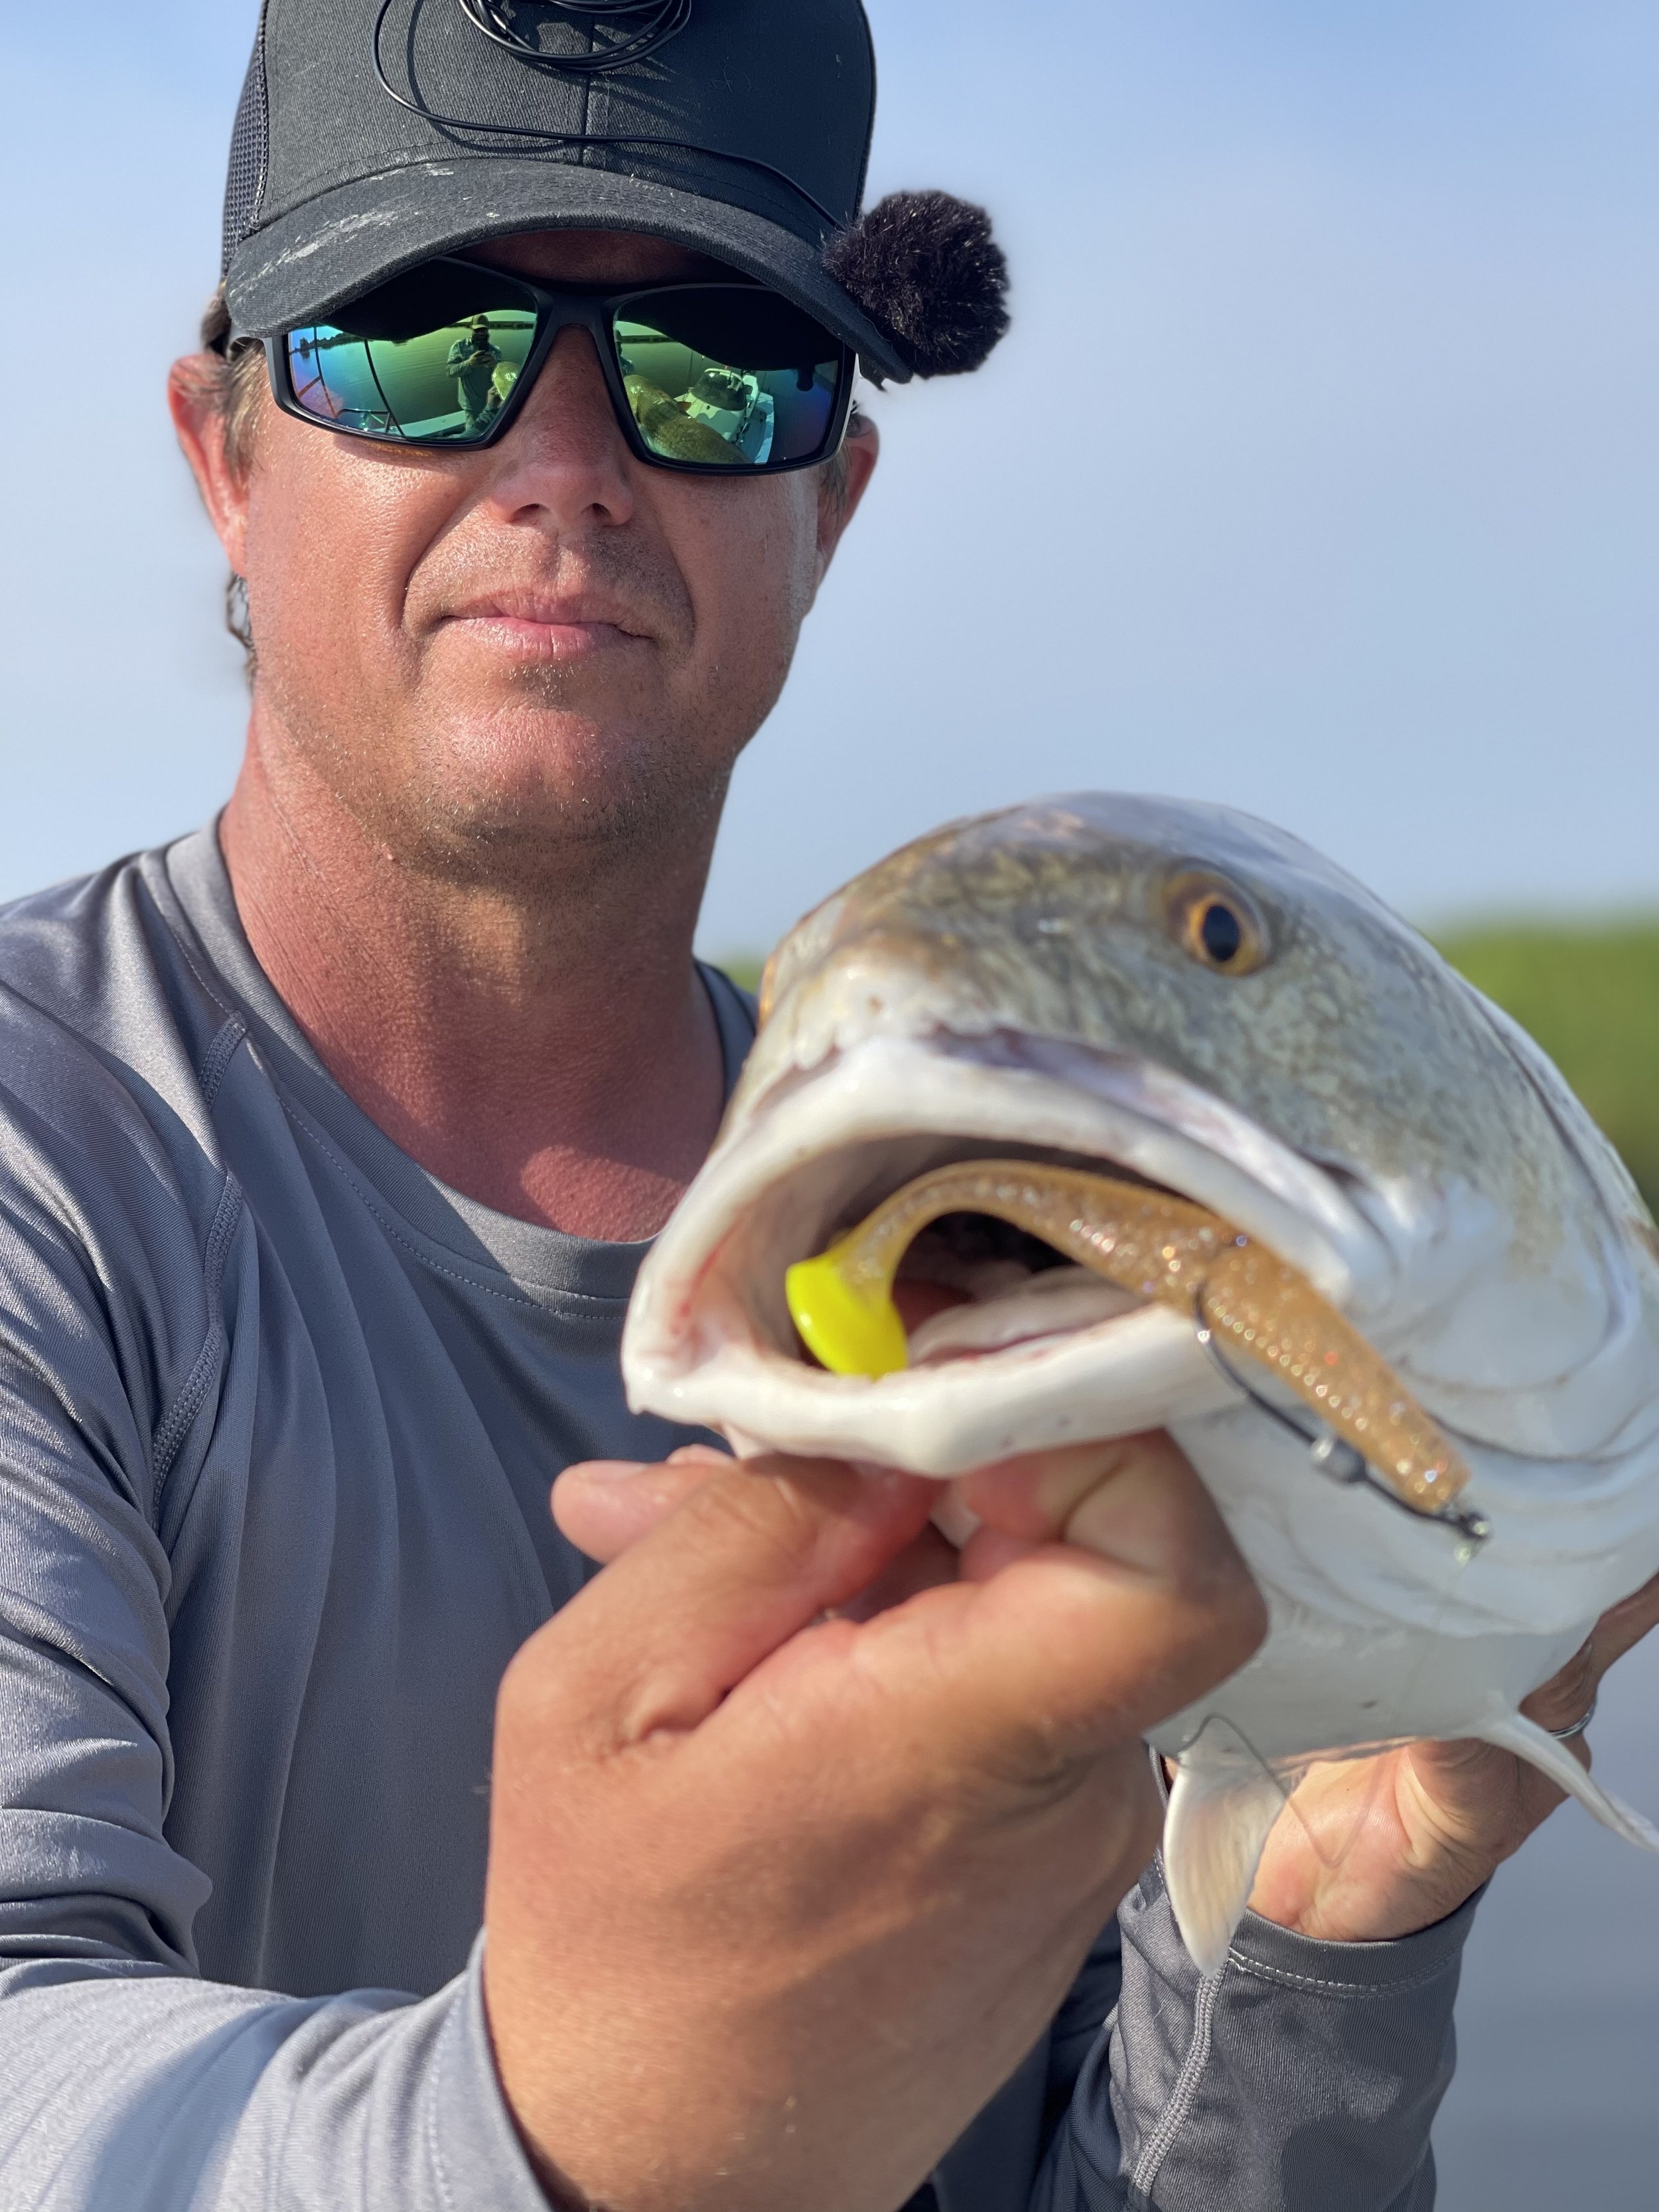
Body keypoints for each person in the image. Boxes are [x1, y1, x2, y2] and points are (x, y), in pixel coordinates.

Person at [0, 3, 1654, 2208]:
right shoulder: (47, 1153)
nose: (568, 464)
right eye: (417, 344)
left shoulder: (1045, 1257)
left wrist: (1325, 1934)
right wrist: (581, 2117)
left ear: (832, 493)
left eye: (708, 371)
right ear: (225, 445)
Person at [447, 315, 505, 434]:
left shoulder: (496, 351)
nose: (481, 333)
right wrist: (469, 364)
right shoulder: (459, 347)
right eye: (477, 330)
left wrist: (496, 365)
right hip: (471, 408)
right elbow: (449, 371)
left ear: (488, 329)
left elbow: (503, 378)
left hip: (493, 405)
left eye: (483, 329)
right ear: (471, 328)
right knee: (473, 436)